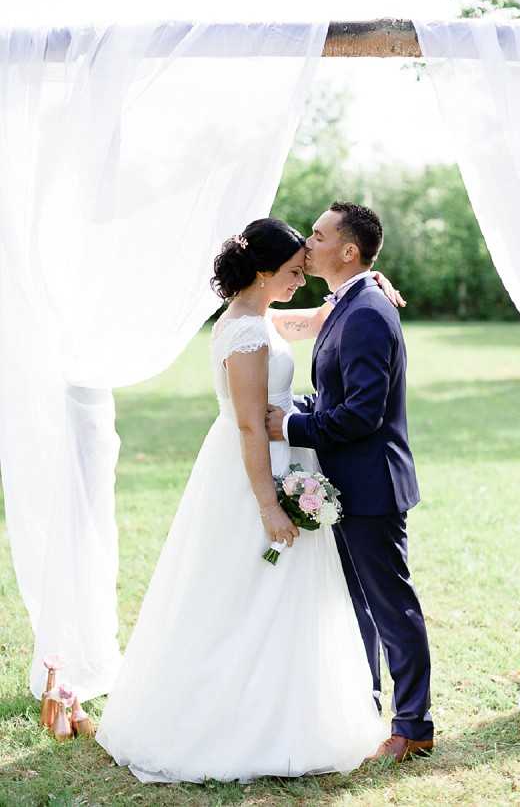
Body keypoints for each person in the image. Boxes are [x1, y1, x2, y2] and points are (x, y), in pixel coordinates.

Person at [95, 217, 389, 784]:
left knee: (276, 591)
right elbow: (252, 429)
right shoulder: (247, 335)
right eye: (292, 273)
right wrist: (269, 505)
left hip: (278, 460)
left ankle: (284, 709)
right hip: (255, 472)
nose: (300, 282)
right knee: (249, 585)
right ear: (262, 272)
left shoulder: (252, 316)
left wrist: (370, 283)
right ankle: (240, 722)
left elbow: (309, 320)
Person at [266, 202, 434, 762]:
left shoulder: (365, 312)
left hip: (371, 486)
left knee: (390, 606)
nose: (308, 243)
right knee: (356, 604)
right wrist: (290, 405)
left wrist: (291, 424)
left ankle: (413, 725)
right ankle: (365, 705)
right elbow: (339, 397)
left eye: (318, 234)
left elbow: (363, 414)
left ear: (348, 250)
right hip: (347, 485)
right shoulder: (348, 304)